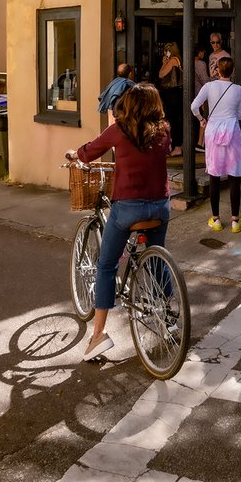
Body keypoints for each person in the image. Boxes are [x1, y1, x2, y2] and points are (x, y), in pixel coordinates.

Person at [68, 83, 171, 361]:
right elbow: (165, 151)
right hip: (160, 207)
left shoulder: (119, 130)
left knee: (106, 265)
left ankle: (98, 334)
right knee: (156, 260)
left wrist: (75, 155)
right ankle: (169, 311)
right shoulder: (163, 130)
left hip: (128, 208)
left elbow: (89, 151)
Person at [191, 55, 241, 233]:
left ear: (217, 70)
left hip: (213, 131)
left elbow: (194, 106)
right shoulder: (238, 90)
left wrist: (201, 119)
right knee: (234, 177)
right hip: (232, 132)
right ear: (233, 71)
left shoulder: (209, 86)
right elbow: (240, 115)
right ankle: (235, 221)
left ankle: (216, 219)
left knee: (214, 176)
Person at [157, 41, 183, 156]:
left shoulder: (173, 60)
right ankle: (173, 145)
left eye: (166, 51)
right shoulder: (175, 60)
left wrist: (163, 63)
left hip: (173, 93)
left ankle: (176, 146)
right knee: (170, 119)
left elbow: (161, 74)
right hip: (171, 93)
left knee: (172, 120)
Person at [193, 43, 210, 150]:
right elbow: (205, 80)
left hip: (192, 93)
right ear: (199, 52)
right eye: (203, 52)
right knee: (205, 117)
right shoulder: (201, 64)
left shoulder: (188, 62)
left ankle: (198, 142)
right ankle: (200, 142)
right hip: (202, 94)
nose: (204, 54)